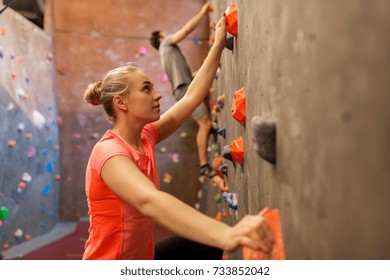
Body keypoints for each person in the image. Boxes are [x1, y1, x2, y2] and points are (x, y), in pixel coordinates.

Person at [82, 16, 274, 260]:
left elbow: (191, 98)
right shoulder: (109, 154)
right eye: (146, 89)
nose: (157, 95)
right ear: (121, 102)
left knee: (206, 242)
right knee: (214, 239)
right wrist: (228, 235)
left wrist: (217, 46)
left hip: (142, 258)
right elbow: (149, 201)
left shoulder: (146, 137)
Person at [150, 2, 216, 183]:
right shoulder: (166, 45)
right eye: (164, 34)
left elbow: (187, 76)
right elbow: (186, 29)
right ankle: (204, 166)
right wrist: (203, 13)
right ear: (161, 37)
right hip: (184, 90)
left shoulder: (167, 56)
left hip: (184, 88)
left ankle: (212, 132)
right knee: (204, 123)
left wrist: (210, 67)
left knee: (206, 124)